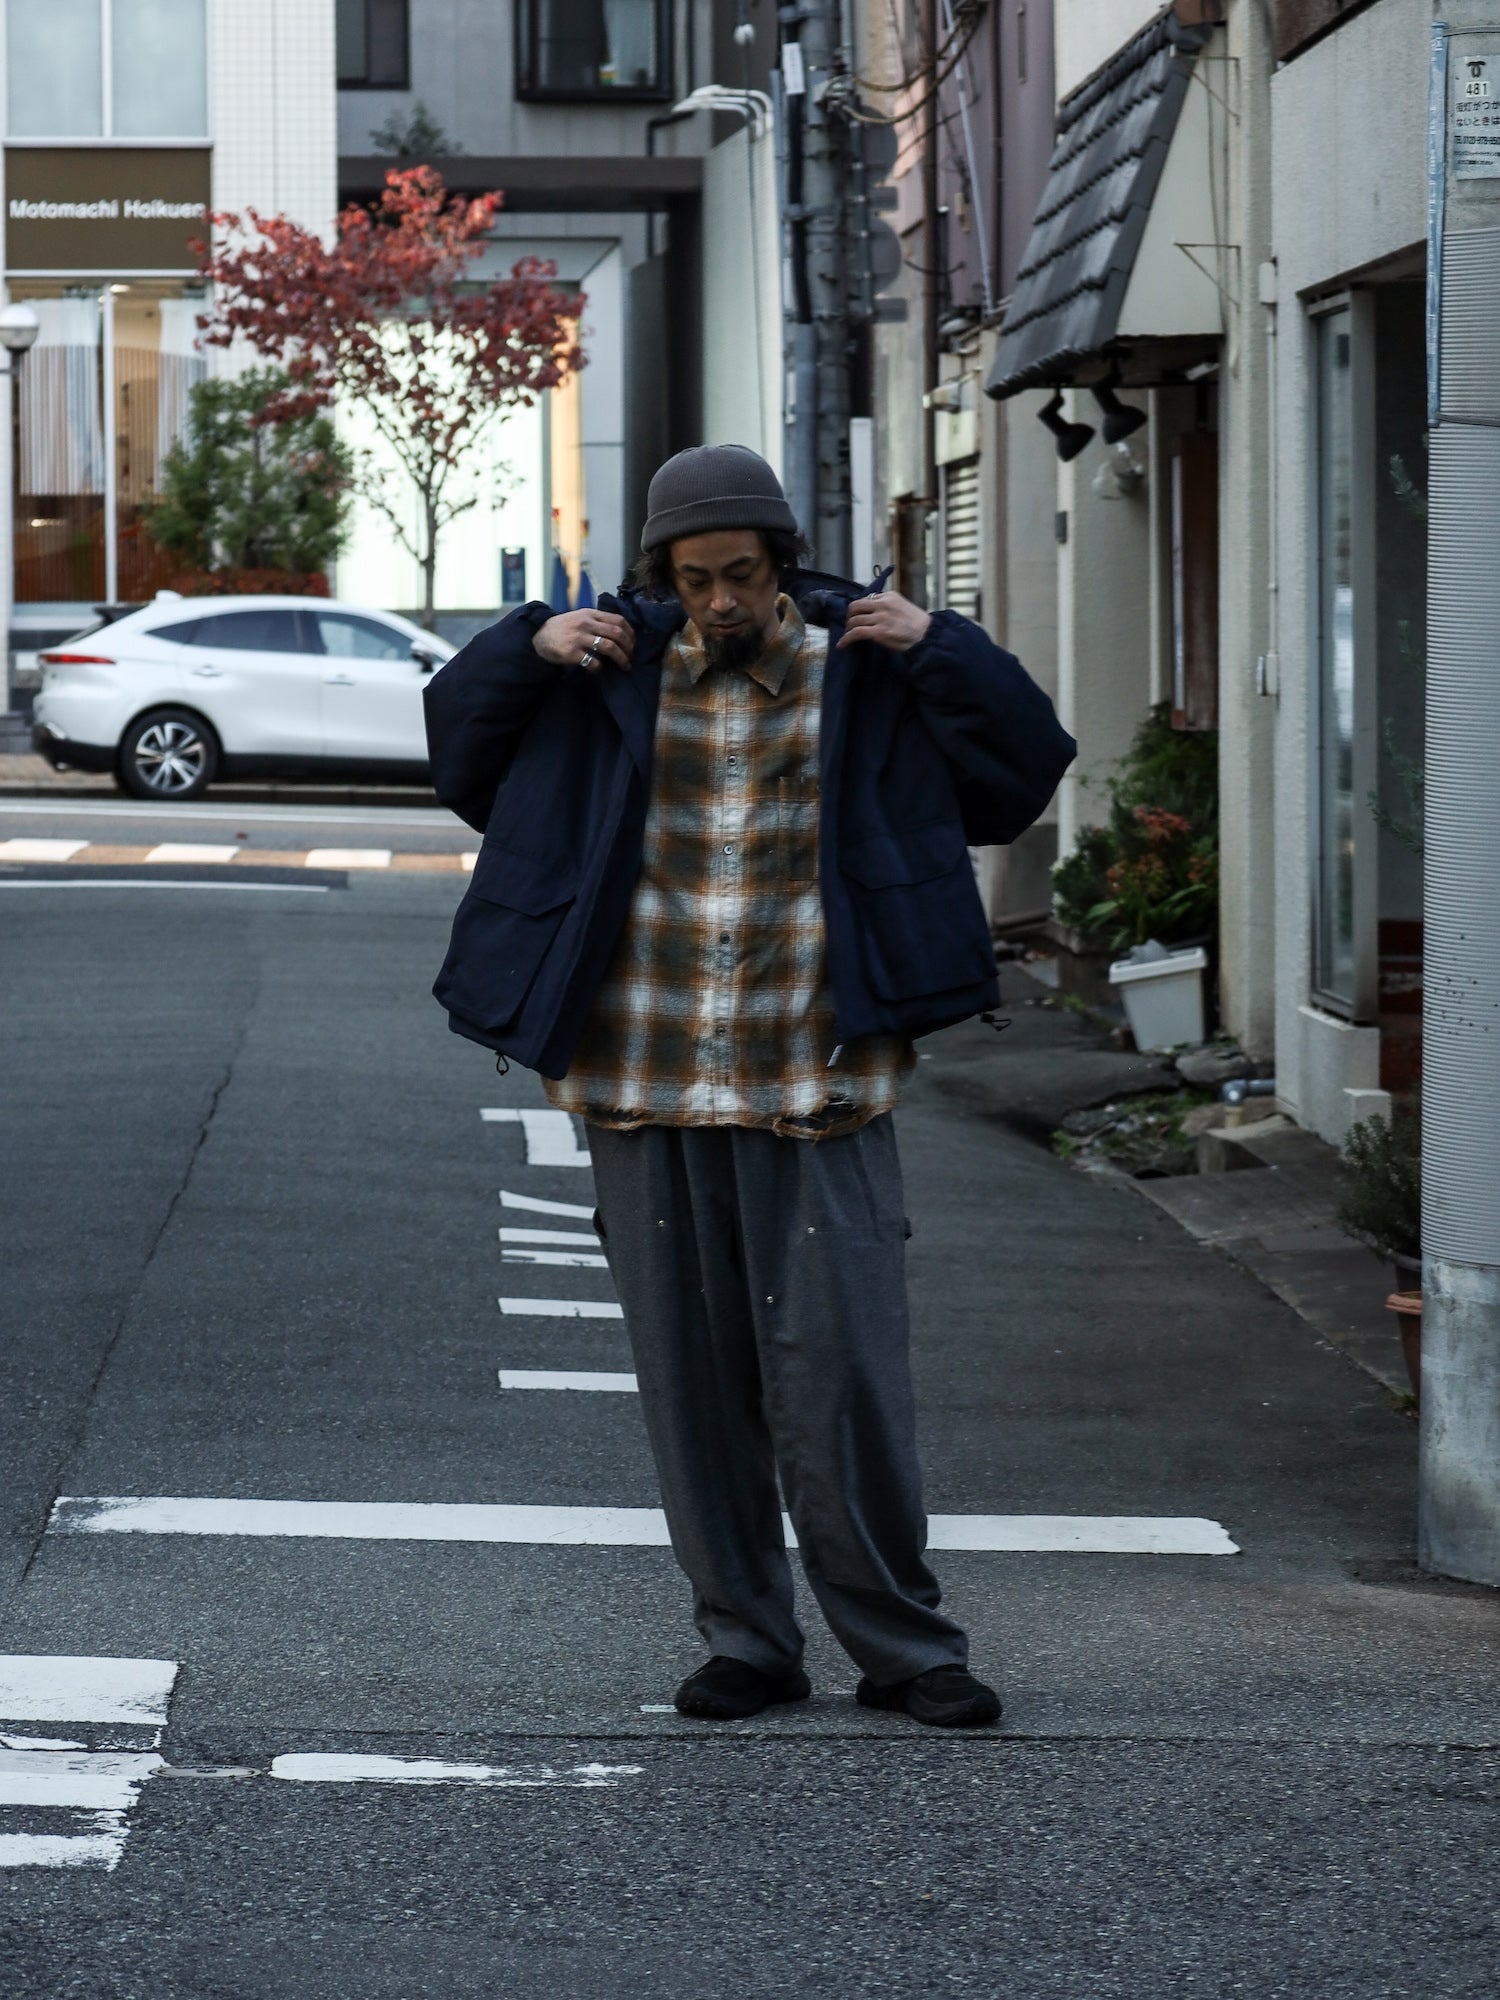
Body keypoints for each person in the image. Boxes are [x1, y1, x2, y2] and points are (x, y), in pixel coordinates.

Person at [425, 445, 1074, 1727]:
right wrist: (523, 647)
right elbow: (462, 763)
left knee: (844, 1382)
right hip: (643, 1074)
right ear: (661, 574)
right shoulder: (605, 677)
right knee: (691, 1388)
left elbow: (1018, 776)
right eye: (693, 577)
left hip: (815, 1079)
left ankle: (905, 1646)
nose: (718, 600)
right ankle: (746, 1637)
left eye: (738, 572)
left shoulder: (865, 671)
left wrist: (941, 644)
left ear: (781, 563)